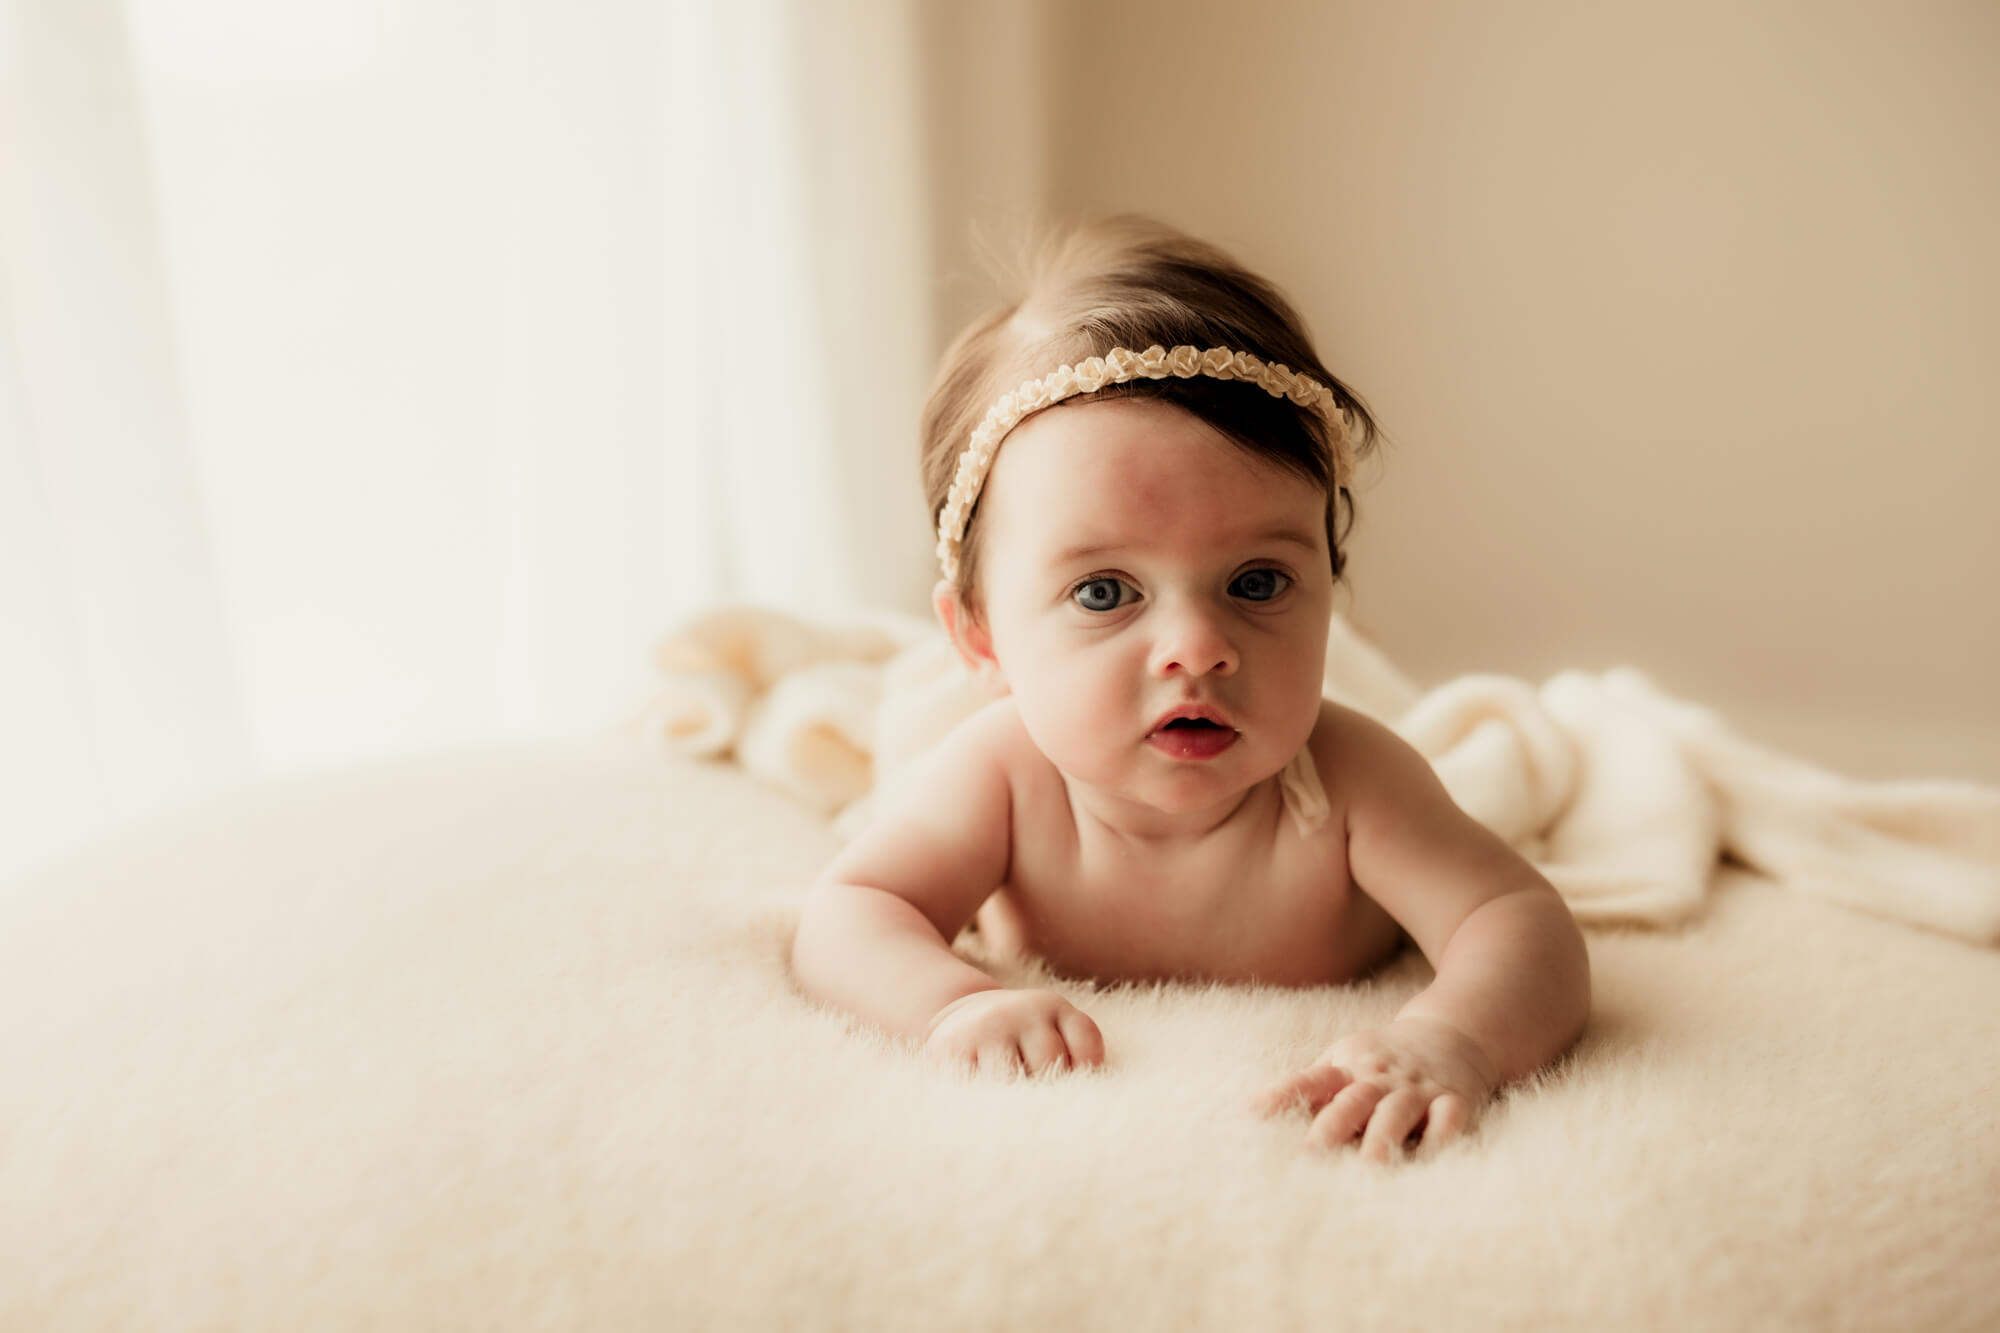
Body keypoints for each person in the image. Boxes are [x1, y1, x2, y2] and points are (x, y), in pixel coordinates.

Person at [788, 216, 1590, 1161]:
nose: (1199, 649)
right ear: (983, 635)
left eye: (1258, 583)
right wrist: (952, 1004)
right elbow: (850, 914)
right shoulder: (1000, 775)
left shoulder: (1349, 784)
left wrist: (1451, 1035)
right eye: (1103, 592)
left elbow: (1520, 923)